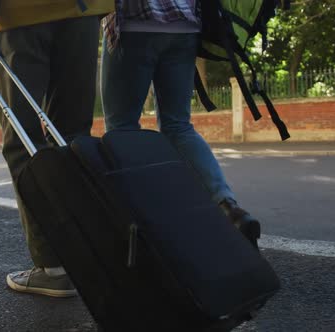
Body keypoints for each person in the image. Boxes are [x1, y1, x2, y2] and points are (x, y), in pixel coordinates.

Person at [0, 0, 113, 297]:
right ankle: (86, 258)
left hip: (23, 17)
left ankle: (54, 268)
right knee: (73, 140)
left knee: (23, 141)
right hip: (83, 15)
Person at [100, 0, 261, 249]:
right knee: (179, 126)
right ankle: (228, 208)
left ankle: (140, 221)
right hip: (184, 25)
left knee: (122, 129)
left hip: (134, 21)